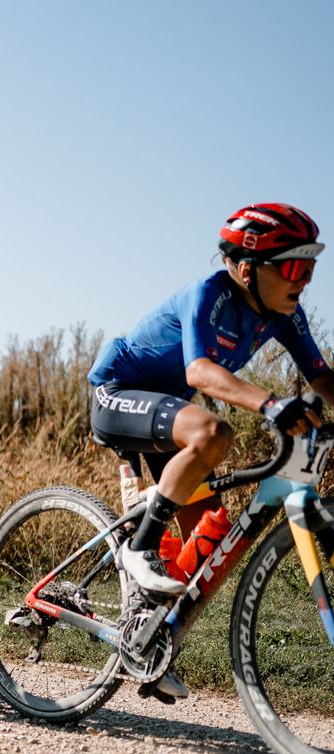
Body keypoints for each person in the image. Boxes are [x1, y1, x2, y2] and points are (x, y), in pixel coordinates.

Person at [88, 202, 330, 701]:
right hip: (117, 391)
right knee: (214, 435)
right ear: (246, 268)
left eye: (310, 267)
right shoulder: (210, 295)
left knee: (207, 541)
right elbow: (198, 371)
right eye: (292, 267)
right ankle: (137, 548)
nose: (303, 279)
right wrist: (269, 403)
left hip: (168, 412)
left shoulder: (284, 313)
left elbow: (323, 378)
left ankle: (150, 640)